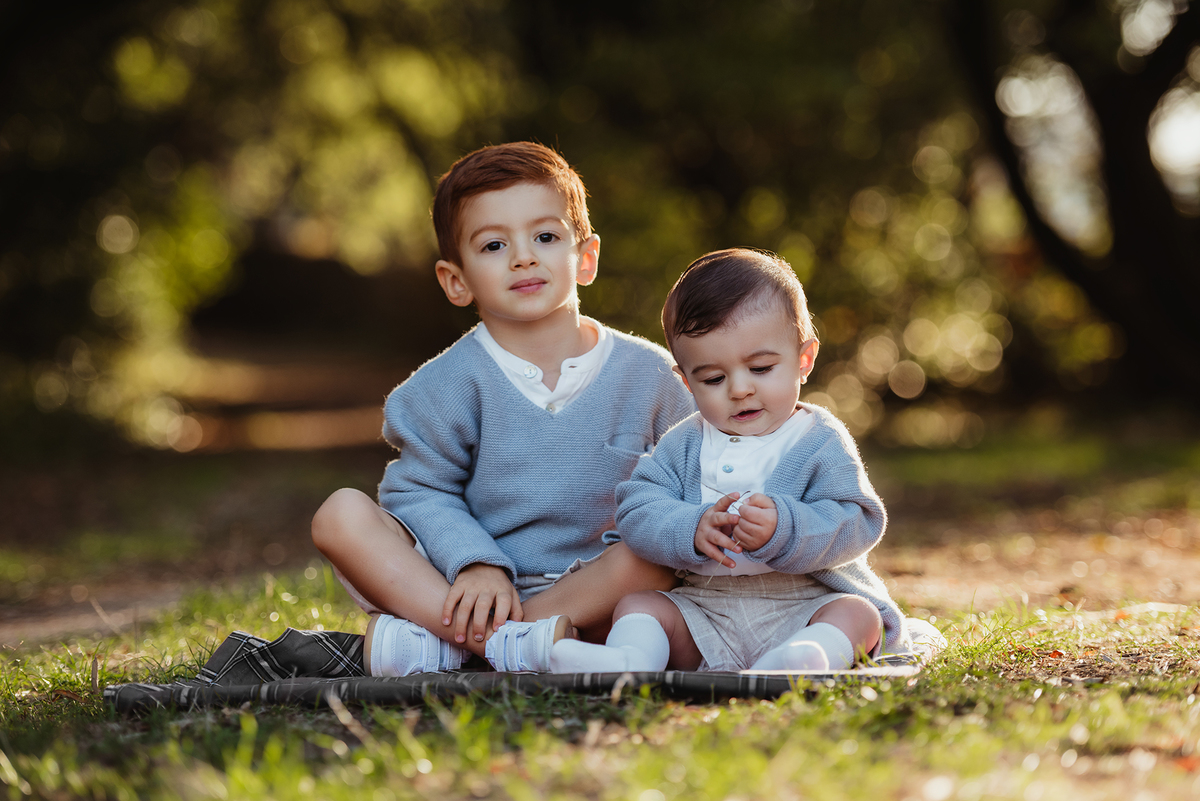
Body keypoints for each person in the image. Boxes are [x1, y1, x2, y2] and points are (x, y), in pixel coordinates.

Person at [311, 142, 695, 677]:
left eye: (544, 237)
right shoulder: (441, 387)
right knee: (340, 516)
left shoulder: (652, 375)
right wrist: (476, 564)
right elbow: (420, 493)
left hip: (597, 590)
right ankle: (510, 643)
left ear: (585, 258)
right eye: (494, 245)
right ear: (457, 280)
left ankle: (463, 648)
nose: (523, 257)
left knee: (657, 551)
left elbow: (691, 479)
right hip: (467, 588)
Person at [550, 247, 934, 674]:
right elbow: (637, 508)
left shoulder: (818, 440)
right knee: (640, 606)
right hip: (704, 609)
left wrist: (785, 527)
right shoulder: (684, 443)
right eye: (713, 378)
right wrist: (689, 527)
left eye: (762, 368)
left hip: (803, 603)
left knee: (858, 615)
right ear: (687, 382)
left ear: (803, 360)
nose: (739, 389)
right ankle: (628, 661)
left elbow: (858, 521)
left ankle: (806, 657)